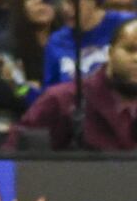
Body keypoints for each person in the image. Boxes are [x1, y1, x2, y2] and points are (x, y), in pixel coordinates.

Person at [8, 17, 137, 151]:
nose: (136, 58)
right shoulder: (62, 99)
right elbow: (11, 158)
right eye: (130, 49)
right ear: (110, 52)